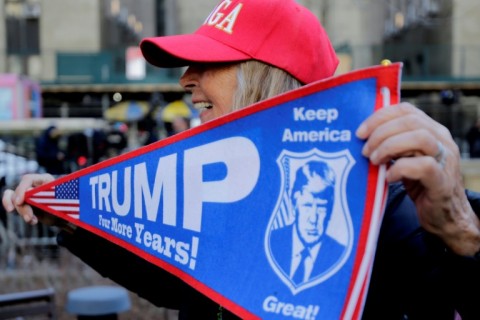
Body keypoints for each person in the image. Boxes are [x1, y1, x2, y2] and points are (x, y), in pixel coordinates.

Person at [3, 0, 480, 319]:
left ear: (268, 79)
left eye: (209, 63)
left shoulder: (391, 201)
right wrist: (69, 214)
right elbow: (178, 286)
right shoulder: (222, 188)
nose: (186, 81)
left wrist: (460, 230)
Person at [269, 160, 346, 286]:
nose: (313, 219)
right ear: (294, 204)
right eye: (307, 206)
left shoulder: (340, 255)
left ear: (330, 210)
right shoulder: (271, 242)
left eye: (321, 207)